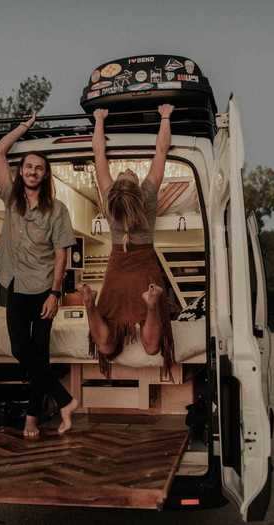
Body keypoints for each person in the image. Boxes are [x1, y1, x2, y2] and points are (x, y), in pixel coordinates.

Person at [0, 113, 79, 438]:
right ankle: (64, 400)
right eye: (28, 166)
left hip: (44, 289)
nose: (32, 171)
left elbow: (62, 253)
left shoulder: (57, 210)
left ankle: (32, 418)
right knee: (21, 351)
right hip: (14, 284)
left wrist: (56, 293)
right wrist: (24, 128)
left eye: (39, 168)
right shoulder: (10, 198)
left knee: (38, 356)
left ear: (45, 175)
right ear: (21, 172)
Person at [81, 105, 176, 376]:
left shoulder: (109, 196)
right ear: (136, 188)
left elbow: (98, 152)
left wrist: (99, 119)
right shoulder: (147, 194)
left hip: (117, 268)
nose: (128, 170)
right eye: (130, 173)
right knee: (151, 346)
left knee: (108, 346)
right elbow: (161, 150)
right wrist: (165, 116)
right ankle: (151, 305)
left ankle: (91, 307)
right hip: (145, 266)